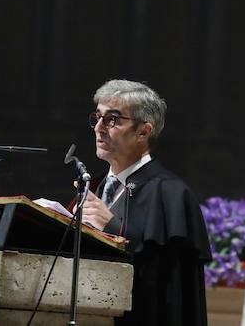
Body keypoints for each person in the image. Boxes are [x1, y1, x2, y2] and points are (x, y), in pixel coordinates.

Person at [81, 79, 211, 325]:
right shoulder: (95, 187)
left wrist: (111, 227)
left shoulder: (170, 193)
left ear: (144, 131)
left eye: (113, 119)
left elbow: (169, 284)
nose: (99, 127)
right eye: (97, 117)